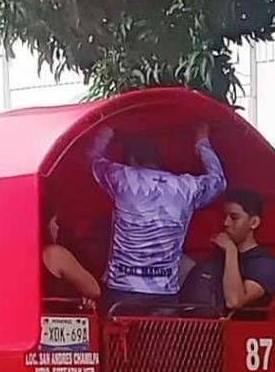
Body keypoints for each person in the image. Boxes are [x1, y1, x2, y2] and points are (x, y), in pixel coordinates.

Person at [89, 122, 226, 312]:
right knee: (161, 342)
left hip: (122, 290)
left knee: (117, 341)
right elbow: (218, 180)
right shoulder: (186, 187)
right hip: (165, 293)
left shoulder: (121, 177)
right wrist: (202, 141)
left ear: (131, 159)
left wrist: (107, 131)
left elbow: (93, 159)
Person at [180, 189, 275, 313]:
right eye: (224, 217)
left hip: (241, 329)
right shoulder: (214, 259)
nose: (226, 223)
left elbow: (234, 301)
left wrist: (231, 251)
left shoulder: (266, 265)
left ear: (254, 222)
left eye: (234, 218)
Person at [41, 207, 101, 306]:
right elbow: (93, 290)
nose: (58, 227)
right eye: (56, 222)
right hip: (60, 314)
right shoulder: (54, 254)